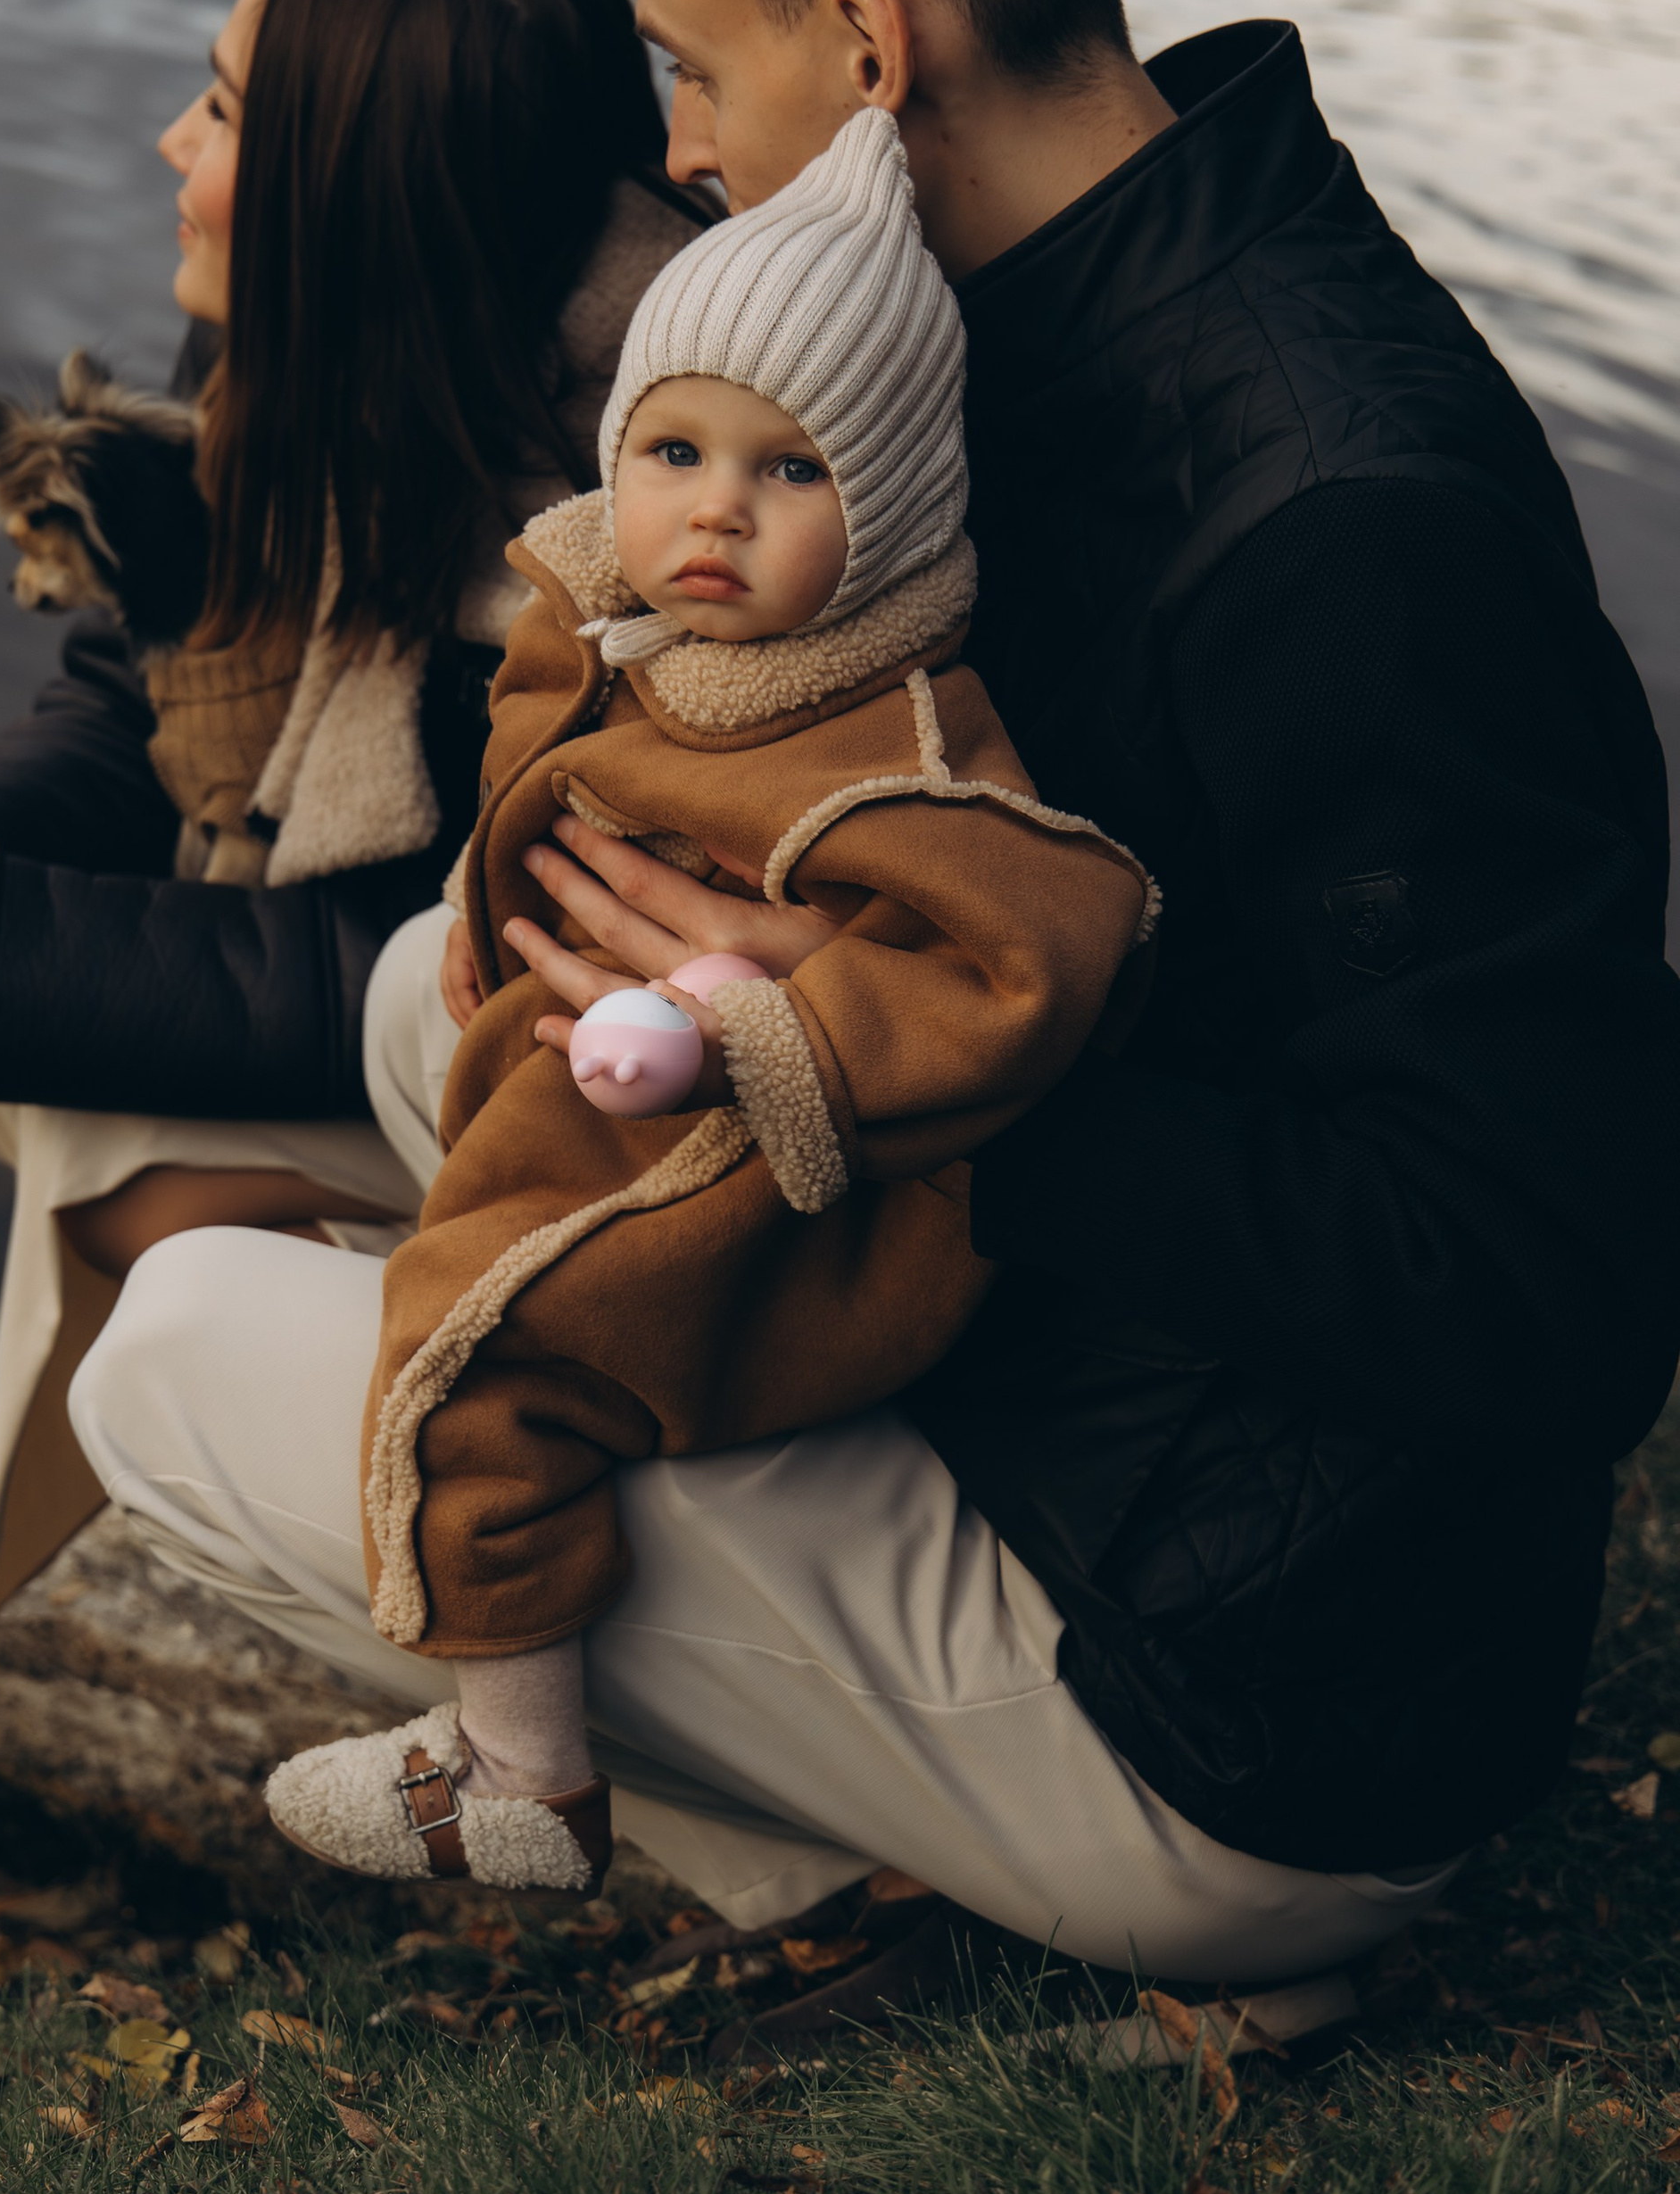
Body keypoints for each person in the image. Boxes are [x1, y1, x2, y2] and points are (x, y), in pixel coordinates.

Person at [69, 0, 1680, 2046]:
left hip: (1237, 1697)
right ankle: (861, 1827)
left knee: (183, 1360)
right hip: (1070, 1402)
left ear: (863, 45)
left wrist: (850, 1054)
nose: (682, 151)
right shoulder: (1053, 311)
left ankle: (1030, 1898)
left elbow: (1540, 1298)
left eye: (692, 72)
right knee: (435, 1003)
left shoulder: (1347, 529)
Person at [0, 0, 706, 1701]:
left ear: (353, 194)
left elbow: (448, 969)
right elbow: (143, 686)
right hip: (391, 1008)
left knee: (73, 1127)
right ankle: (342, 1344)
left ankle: (441, 1449)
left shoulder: (655, 518)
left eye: (228, 109)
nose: (172, 144)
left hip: (574, 1089)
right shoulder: (297, 345)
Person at [262, 111, 1150, 1893]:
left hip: (784, 1175)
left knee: (477, 1346)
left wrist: (769, 1032)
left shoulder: (894, 740)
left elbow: (1046, 947)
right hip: (615, 1071)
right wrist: (488, 895)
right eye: (673, 450)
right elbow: (534, 741)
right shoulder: (625, 626)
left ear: (893, 512)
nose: (714, 510)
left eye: (791, 470)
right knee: (468, 1197)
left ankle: (521, 1774)